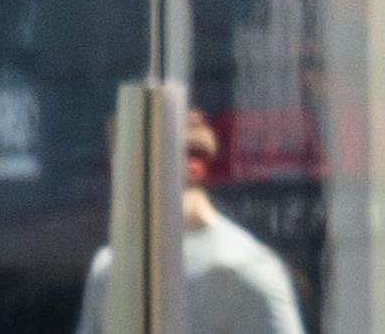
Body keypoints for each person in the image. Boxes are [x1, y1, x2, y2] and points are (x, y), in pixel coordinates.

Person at [66, 108, 310, 334]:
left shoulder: (245, 269)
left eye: (143, 161)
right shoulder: (109, 267)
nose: (128, 177)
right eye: (121, 163)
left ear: (194, 167)